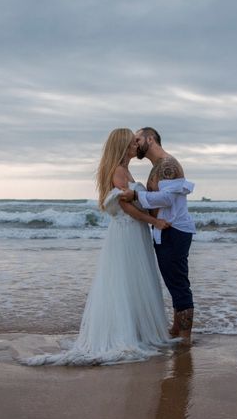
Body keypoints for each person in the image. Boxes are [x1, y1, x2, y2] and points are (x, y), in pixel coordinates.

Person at [21, 128, 175, 366]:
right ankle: (124, 335)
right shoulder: (119, 172)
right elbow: (127, 208)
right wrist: (154, 221)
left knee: (133, 282)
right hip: (127, 233)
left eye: (137, 141)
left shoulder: (125, 170)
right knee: (125, 281)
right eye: (132, 142)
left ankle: (136, 331)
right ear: (123, 146)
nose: (137, 145)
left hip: (134, 232)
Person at [120, 127, 196, 344]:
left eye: (137, 139)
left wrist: (136, 194)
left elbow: (167, 199)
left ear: (150, 139)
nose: (134, 143)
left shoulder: (168, 165)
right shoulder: (158, 167)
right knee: (173, 283)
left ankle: (185, 337)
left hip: (175, 231)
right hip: (165, 231)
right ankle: (176, 329)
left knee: (179, 284)